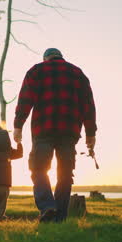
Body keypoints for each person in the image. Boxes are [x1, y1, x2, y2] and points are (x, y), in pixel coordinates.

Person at [13, 48, 97, 222]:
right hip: (70, 131)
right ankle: (59, 217)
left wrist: (18, 126)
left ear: (45, 59)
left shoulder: (37, 70)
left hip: (43, 129)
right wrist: (91, 133)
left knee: (38, 168)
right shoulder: (77, 73)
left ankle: (47, 206)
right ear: (61, 57)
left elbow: (25, 100)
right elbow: (88, 105)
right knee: (65, 173)